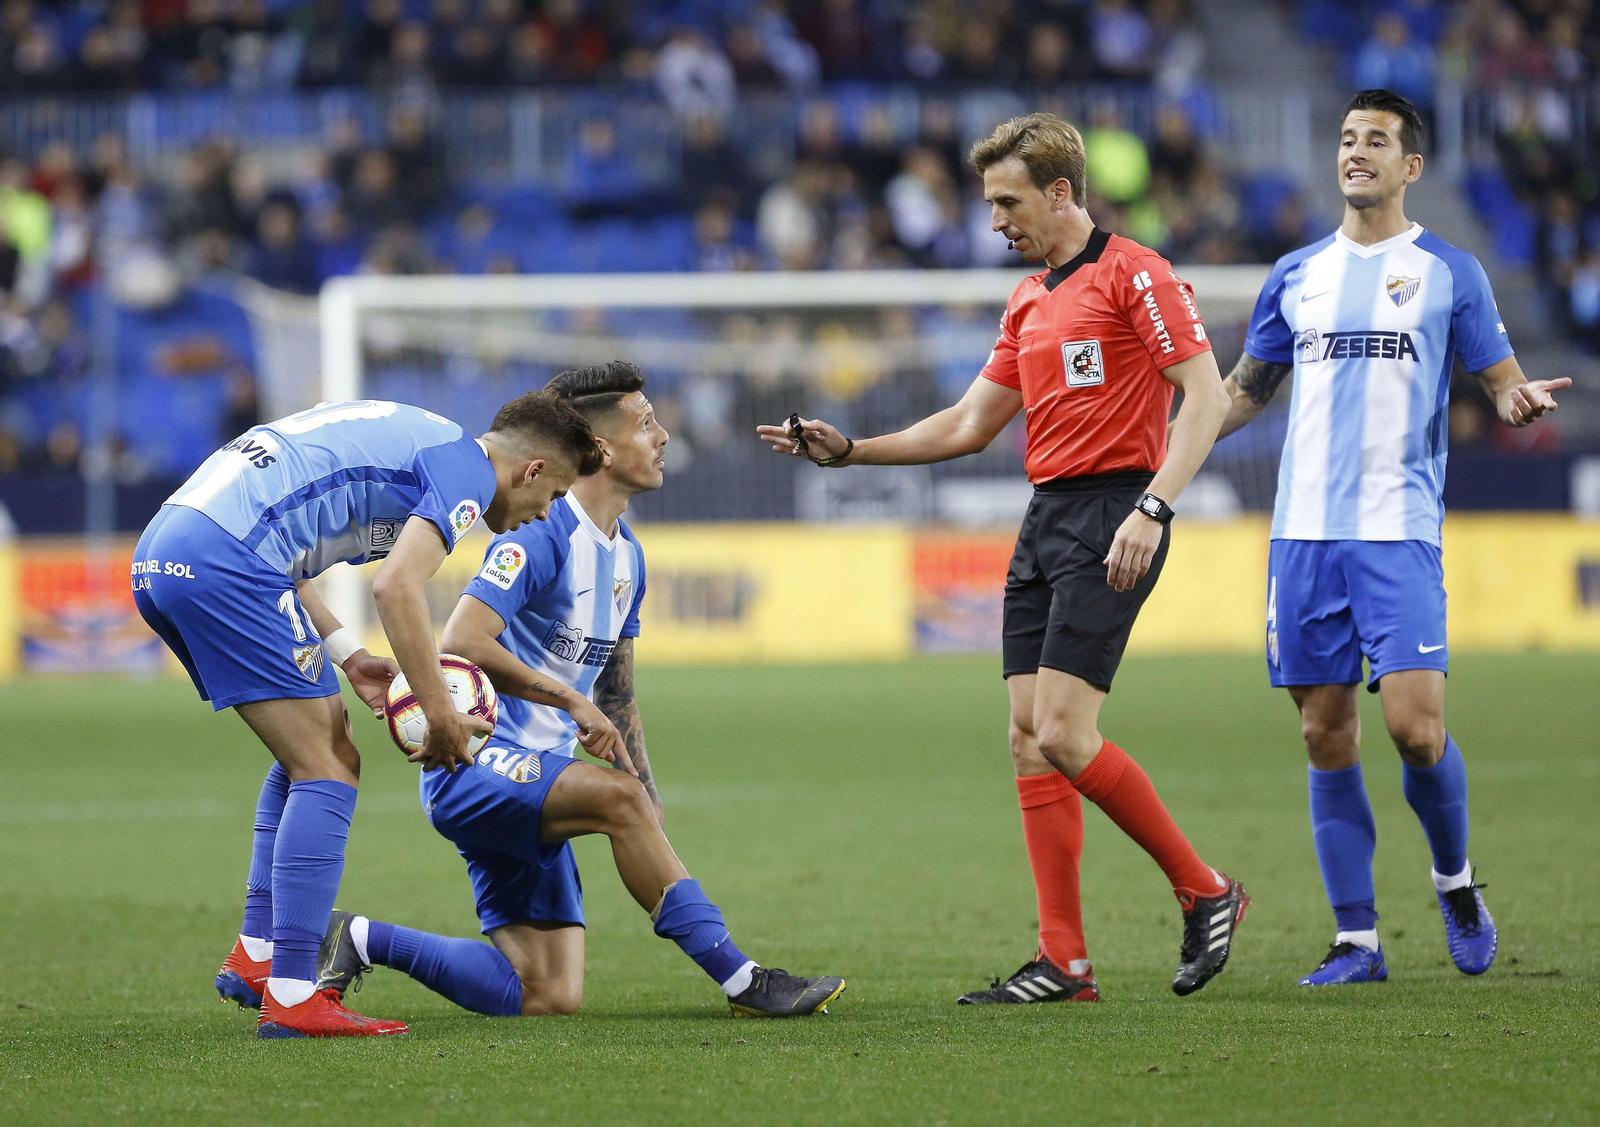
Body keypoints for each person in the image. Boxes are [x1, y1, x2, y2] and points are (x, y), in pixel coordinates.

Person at [759, 113, 1247, 1003]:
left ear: (1061, 191)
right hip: (1046, 515)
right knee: (1028, 740)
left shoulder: (1139, 273)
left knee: (1064, 730)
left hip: (1116, 508)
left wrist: (1153, 505)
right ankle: (1065, 960)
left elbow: (1206, 400)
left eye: (1007, 201)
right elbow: (968, 423)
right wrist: (850, 449)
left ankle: (1206, 888)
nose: (994, 221)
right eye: (990, 203)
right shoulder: (1027, 299)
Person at [315, 363, 847, 1019]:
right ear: (598, 449)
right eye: (645, 424)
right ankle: (745, 981)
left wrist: (645, 787)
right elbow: (461, 639)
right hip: (478, 763)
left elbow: (617, 692)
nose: (663, 436)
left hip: (540, 777)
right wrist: (571, 710)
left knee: (545, 994)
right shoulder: (542, 533)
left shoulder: (630, 557)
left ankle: (356, 937)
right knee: (617, 801)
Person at [1218, 89, 1567, 987]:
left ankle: (1454, 881)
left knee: (1415, 729)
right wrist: (1167, 440)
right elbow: (1246, 391)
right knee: (1324, 732)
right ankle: (1357, 941)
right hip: (1303, 536)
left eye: (1376, 140)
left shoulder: (1451, 271)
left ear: (1411, 166)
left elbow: (1502, 380)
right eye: (1345, 138)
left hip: (1396, 531)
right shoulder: (1296, 274)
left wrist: (1515, 399)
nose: (1355, 152)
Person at [136, 393, 601, 1037]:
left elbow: (288, 556)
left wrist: (348, 654)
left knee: (313, 750)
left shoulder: (421, 442)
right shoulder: (466, 468)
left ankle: (259, 956)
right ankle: (296, 996)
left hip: (170, 549)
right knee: (327, 766)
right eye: (553, 495)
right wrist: (438, 707)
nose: (543, 512)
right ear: (533, 469)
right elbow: (396, 586)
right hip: (225, 561)